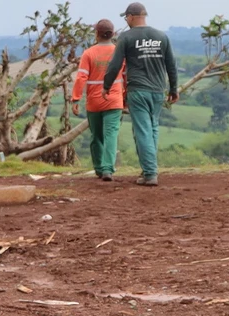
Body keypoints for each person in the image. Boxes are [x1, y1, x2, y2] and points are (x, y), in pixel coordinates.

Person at [103, 2, 177, 187]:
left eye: (126, 17)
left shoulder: (126, 37)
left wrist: (106, 86)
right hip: (158, 91)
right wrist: (174, 89)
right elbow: (171, 65)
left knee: (143, 130)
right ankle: (147, 169)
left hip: (138, 91)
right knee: (152, 129)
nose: (126, 20)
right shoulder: (161, 36)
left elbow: (115, 65)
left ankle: (151, 174)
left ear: (131, 16)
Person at [72, 19, 125, 181]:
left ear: (96, 34)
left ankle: (99, 168)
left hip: (94, 102)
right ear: (113, 34)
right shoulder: (118, 52)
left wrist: (75, 99)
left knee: (96, 136)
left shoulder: (88, 53)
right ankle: (108, 168)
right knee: (111, 135)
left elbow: (81, 77)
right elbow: (125, 75)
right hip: (114, 100)